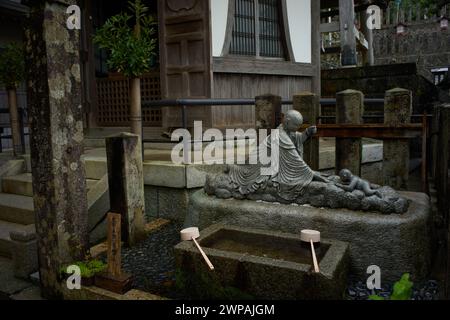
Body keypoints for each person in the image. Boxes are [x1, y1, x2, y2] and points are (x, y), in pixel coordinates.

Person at [228, 109, 327, 201]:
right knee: (246, 173)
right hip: (261, 163)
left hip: (268, 161)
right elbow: (295, 160)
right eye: (296, 125)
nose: (298, 128)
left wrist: (307, 133)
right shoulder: (280, 135)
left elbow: (297, 138)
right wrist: (310, 173)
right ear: (287, 122)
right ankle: (233, 168)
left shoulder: (287, 131)